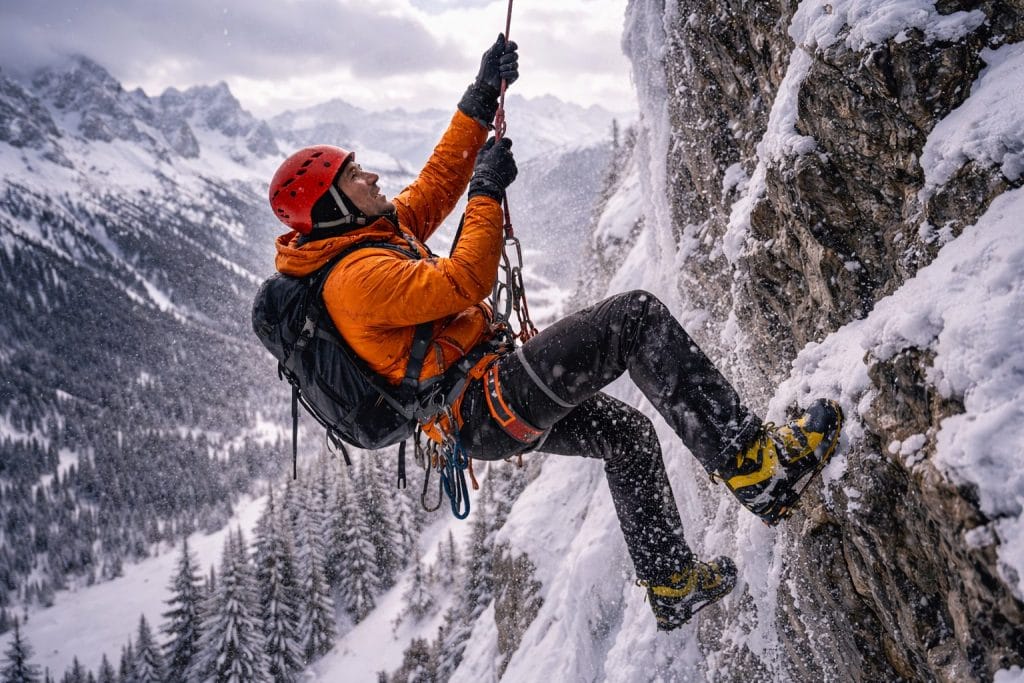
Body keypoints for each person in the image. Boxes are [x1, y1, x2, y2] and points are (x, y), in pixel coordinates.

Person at [265, 34, 843, 632]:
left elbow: (438, 181)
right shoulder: (357, 278)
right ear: (333, 204)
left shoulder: (366, 236)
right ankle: (757, 466)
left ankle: (671, 581)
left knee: (627, 435)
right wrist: (487, 191)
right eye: (356, 176)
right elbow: (466, 279)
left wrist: (481, 93)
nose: (374, 177)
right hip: (484, 403)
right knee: (633, 321)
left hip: (479, 406)